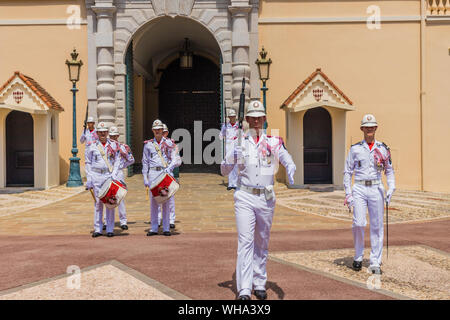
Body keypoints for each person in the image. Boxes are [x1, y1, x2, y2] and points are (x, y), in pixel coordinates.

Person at [221, 100, 296, 300]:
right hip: (244, 195)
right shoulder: (240, 143)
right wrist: (231, 158)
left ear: (264, 120)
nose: (256, 121)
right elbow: (224, 170)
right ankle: (244, 288)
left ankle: (259, 282)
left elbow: (286, 157)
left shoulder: (273, 142)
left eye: (259, 118)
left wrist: (291, 167)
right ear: (246, 120)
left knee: (262, 241)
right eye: (252, 118)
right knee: (245, 241)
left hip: (266, 197)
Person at [343, 114, 395, 275]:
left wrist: (391, 187)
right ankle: (358, 256)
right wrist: (348, 193)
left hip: (376, 187)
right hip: (359, 187)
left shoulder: (383, 148)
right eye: (367, 126)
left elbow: (389, 170)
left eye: (372, 126)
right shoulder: (355, 148)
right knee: (358, 223)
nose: (370, 129)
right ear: (362, 129)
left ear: (376, 128)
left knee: (377, 225)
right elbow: (347, 171)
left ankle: (375, 261)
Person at [142, 120, 181, 236]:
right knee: (154, 202)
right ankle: (154, 228)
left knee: (166, 201)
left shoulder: (169, 143)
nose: (158, 131)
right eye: (156, 129)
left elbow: (176, 158)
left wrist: (170, 167)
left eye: (160, 129)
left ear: (162, 130)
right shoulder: (148, 145)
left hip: (166, 173)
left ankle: (166, 228)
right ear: (153, 131)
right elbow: (145, 161)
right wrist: (145, 176)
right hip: (154, 173)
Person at [85, 122, 121, 238]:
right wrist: (89, 178)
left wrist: (114, 174)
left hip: (108, 176)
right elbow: (88, 162)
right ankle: (98, 229)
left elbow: (117, 161)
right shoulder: (92, 145)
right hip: (96, 176)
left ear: (107, 133)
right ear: (97, 133)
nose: (102, 134)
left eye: (104, 132)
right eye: (100, 132)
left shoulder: (114, 145)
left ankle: (110, 229)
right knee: (98, 203)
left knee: (110, 203)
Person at [109, 126, 135, 230]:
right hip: (108, 173)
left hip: (118, 174)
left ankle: (123, 221)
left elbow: (131, 159)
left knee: (120, 197)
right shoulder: (105, 147)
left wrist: (122, 166)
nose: (113, 137)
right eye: (111, 136)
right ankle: (107, 221)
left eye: (114, 136)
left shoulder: (122, 146)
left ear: (118, 136)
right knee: (108, 196)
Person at [156, 123, 178, 229]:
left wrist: (170, 168)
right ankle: (159, 217)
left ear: (167, 133)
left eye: (164, 132)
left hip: (168, 173)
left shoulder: (171, 144)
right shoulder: (154, 144)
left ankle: (171, 219)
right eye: (161, 132)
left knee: (170, 197)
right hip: (158, 173)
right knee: (158, 196)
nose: (162, 134)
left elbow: (177, 160)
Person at [220, 109, 239, 190]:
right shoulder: (225, 125)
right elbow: (221, 135)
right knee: (229, 164)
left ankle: (236, 183)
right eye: (230, 117)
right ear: (229, 117)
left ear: (235, 117)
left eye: (233, 117)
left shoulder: (239, 125)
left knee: (237, 165)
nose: (232, 118)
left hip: (237, 146)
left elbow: (243, 134)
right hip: (229, 146)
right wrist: (223, 131)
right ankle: (231, 184)